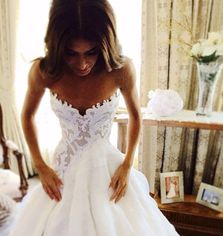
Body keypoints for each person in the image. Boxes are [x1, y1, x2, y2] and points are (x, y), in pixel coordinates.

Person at [9, 0, 179, 235]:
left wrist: (128, 165)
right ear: (58, 46)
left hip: (106, 168)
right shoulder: (44, 72)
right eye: (71, 53)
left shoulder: (121, 70)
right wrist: (40, 165)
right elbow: (27, 116)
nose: (82, 63)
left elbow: (136, 117)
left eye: (91, 52)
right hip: (64, 168)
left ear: (105, 45)